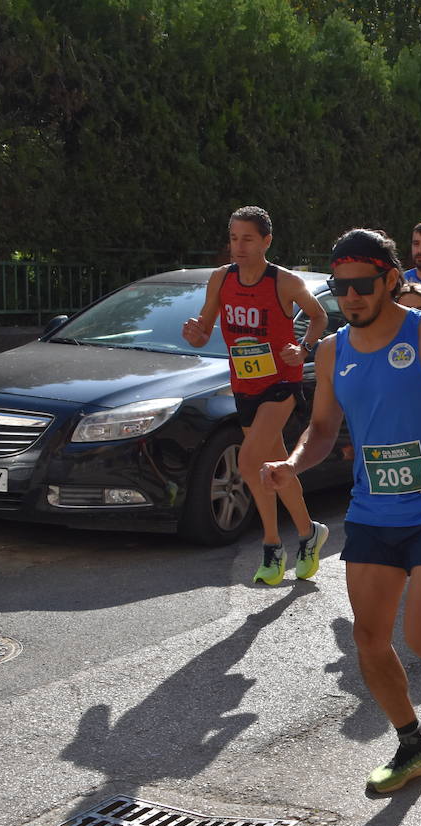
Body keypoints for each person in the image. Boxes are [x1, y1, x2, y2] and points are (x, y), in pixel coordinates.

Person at [262, 228, 421, 792]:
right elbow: (323, 431)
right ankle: (411, 744)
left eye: (363, 285)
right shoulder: (333, 352)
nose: (350, 297)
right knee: (369, 641)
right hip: (372, 512)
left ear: (392, 280)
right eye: (341, 287)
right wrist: (292, 466)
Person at [182, 205, 328, 585]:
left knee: (249, 462)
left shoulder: (284, 282)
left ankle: (271, 545)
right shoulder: (221, 279)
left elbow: (319, 316)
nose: (238, 246)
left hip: (281, 382)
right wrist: (195, 334)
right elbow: (204, 327)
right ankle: (309, 533)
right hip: (245, 383)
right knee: (276, 466)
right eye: (233, 237)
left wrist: (304, 347)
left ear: (266, 241)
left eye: (247, 238)